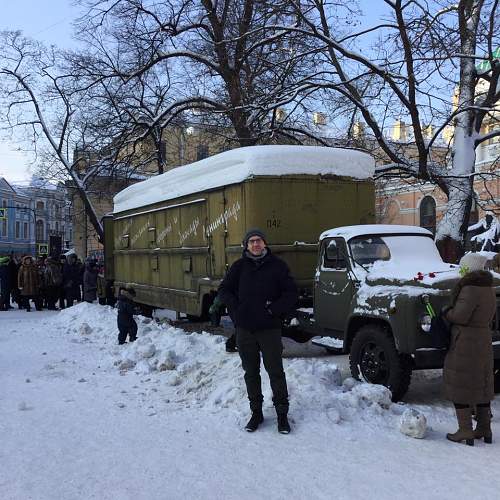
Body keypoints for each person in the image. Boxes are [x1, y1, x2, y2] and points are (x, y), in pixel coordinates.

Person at [218, 229, 298, 434]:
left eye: (259, 241)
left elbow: (291, 293)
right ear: (246, 245)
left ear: (264, 244)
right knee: (251, 373)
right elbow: (224, 290)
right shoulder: (239, 267)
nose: (255, 244)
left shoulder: (277, 266)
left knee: (275, 372)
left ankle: (282, 415)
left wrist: (274, 309)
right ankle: (256, 413)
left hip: (269, 329)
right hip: (245, 330)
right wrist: (236, 311)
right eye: (252, 241)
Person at [443, 252, 496, 445]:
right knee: (481, 383)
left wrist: (446, 312)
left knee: (461, 384)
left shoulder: (469, 288)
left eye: (463, 266)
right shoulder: (488, 288)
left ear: (469, 269)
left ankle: (465, 430)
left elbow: (460, 316)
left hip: (465, 341)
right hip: (483, 339)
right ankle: (484, 428)